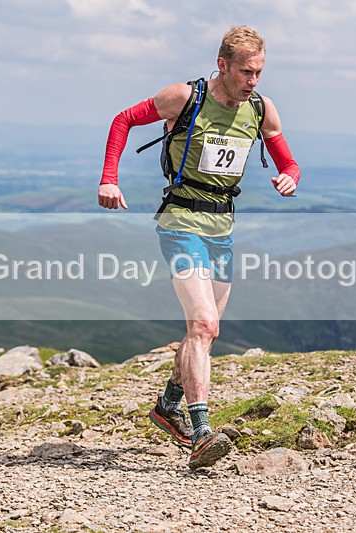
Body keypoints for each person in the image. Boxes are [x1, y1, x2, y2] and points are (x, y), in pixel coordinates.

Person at [97, 25, 300, 470]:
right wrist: (109, 178)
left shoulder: (261, 109)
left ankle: (168, 405)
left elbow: (288, 159)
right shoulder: (184, 97)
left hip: (222, 226)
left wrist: (290, 177)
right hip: (180, 220)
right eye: (246, 72)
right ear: (223, 65)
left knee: (204, 334)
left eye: (259, 72)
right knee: (204, 325)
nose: (253, 81)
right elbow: (123, 120)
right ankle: (202, 433)